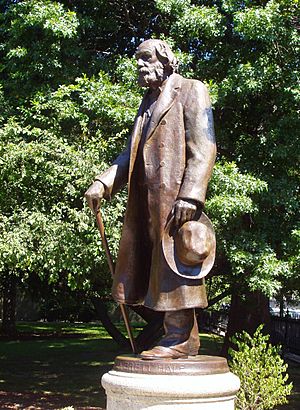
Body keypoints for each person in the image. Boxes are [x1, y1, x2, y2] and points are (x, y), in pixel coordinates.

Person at [85, 39, 216, 360]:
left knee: (177, 266)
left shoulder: (190, 89)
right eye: (138, 60)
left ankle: (179, 338)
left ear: (165, 60)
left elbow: (205, 146)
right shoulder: (147, 104)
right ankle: (183, 337)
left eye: (146, 58)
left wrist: (191, 195)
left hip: (175, 200)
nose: (140, 65)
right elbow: (130, 154)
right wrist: (103, 183)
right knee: (155, 270)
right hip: (146, 204)